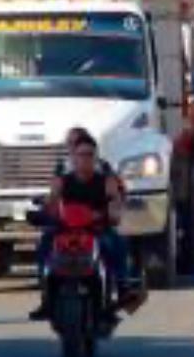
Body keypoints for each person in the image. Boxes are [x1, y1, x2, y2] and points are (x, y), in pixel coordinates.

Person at [30, 133, 131, 321]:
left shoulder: (106, 180)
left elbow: (116, 202)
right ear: (73, 157)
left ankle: (122, 288)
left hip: (96, 229)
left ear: (96, 157)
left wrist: (112, 212)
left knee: (115, 242)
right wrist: (42, 213)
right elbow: (51, 202)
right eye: (81, 154)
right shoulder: (62, 180)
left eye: (89, 155)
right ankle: (46, 298)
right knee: (44, 242)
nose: (85, 159)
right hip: (65, 229)